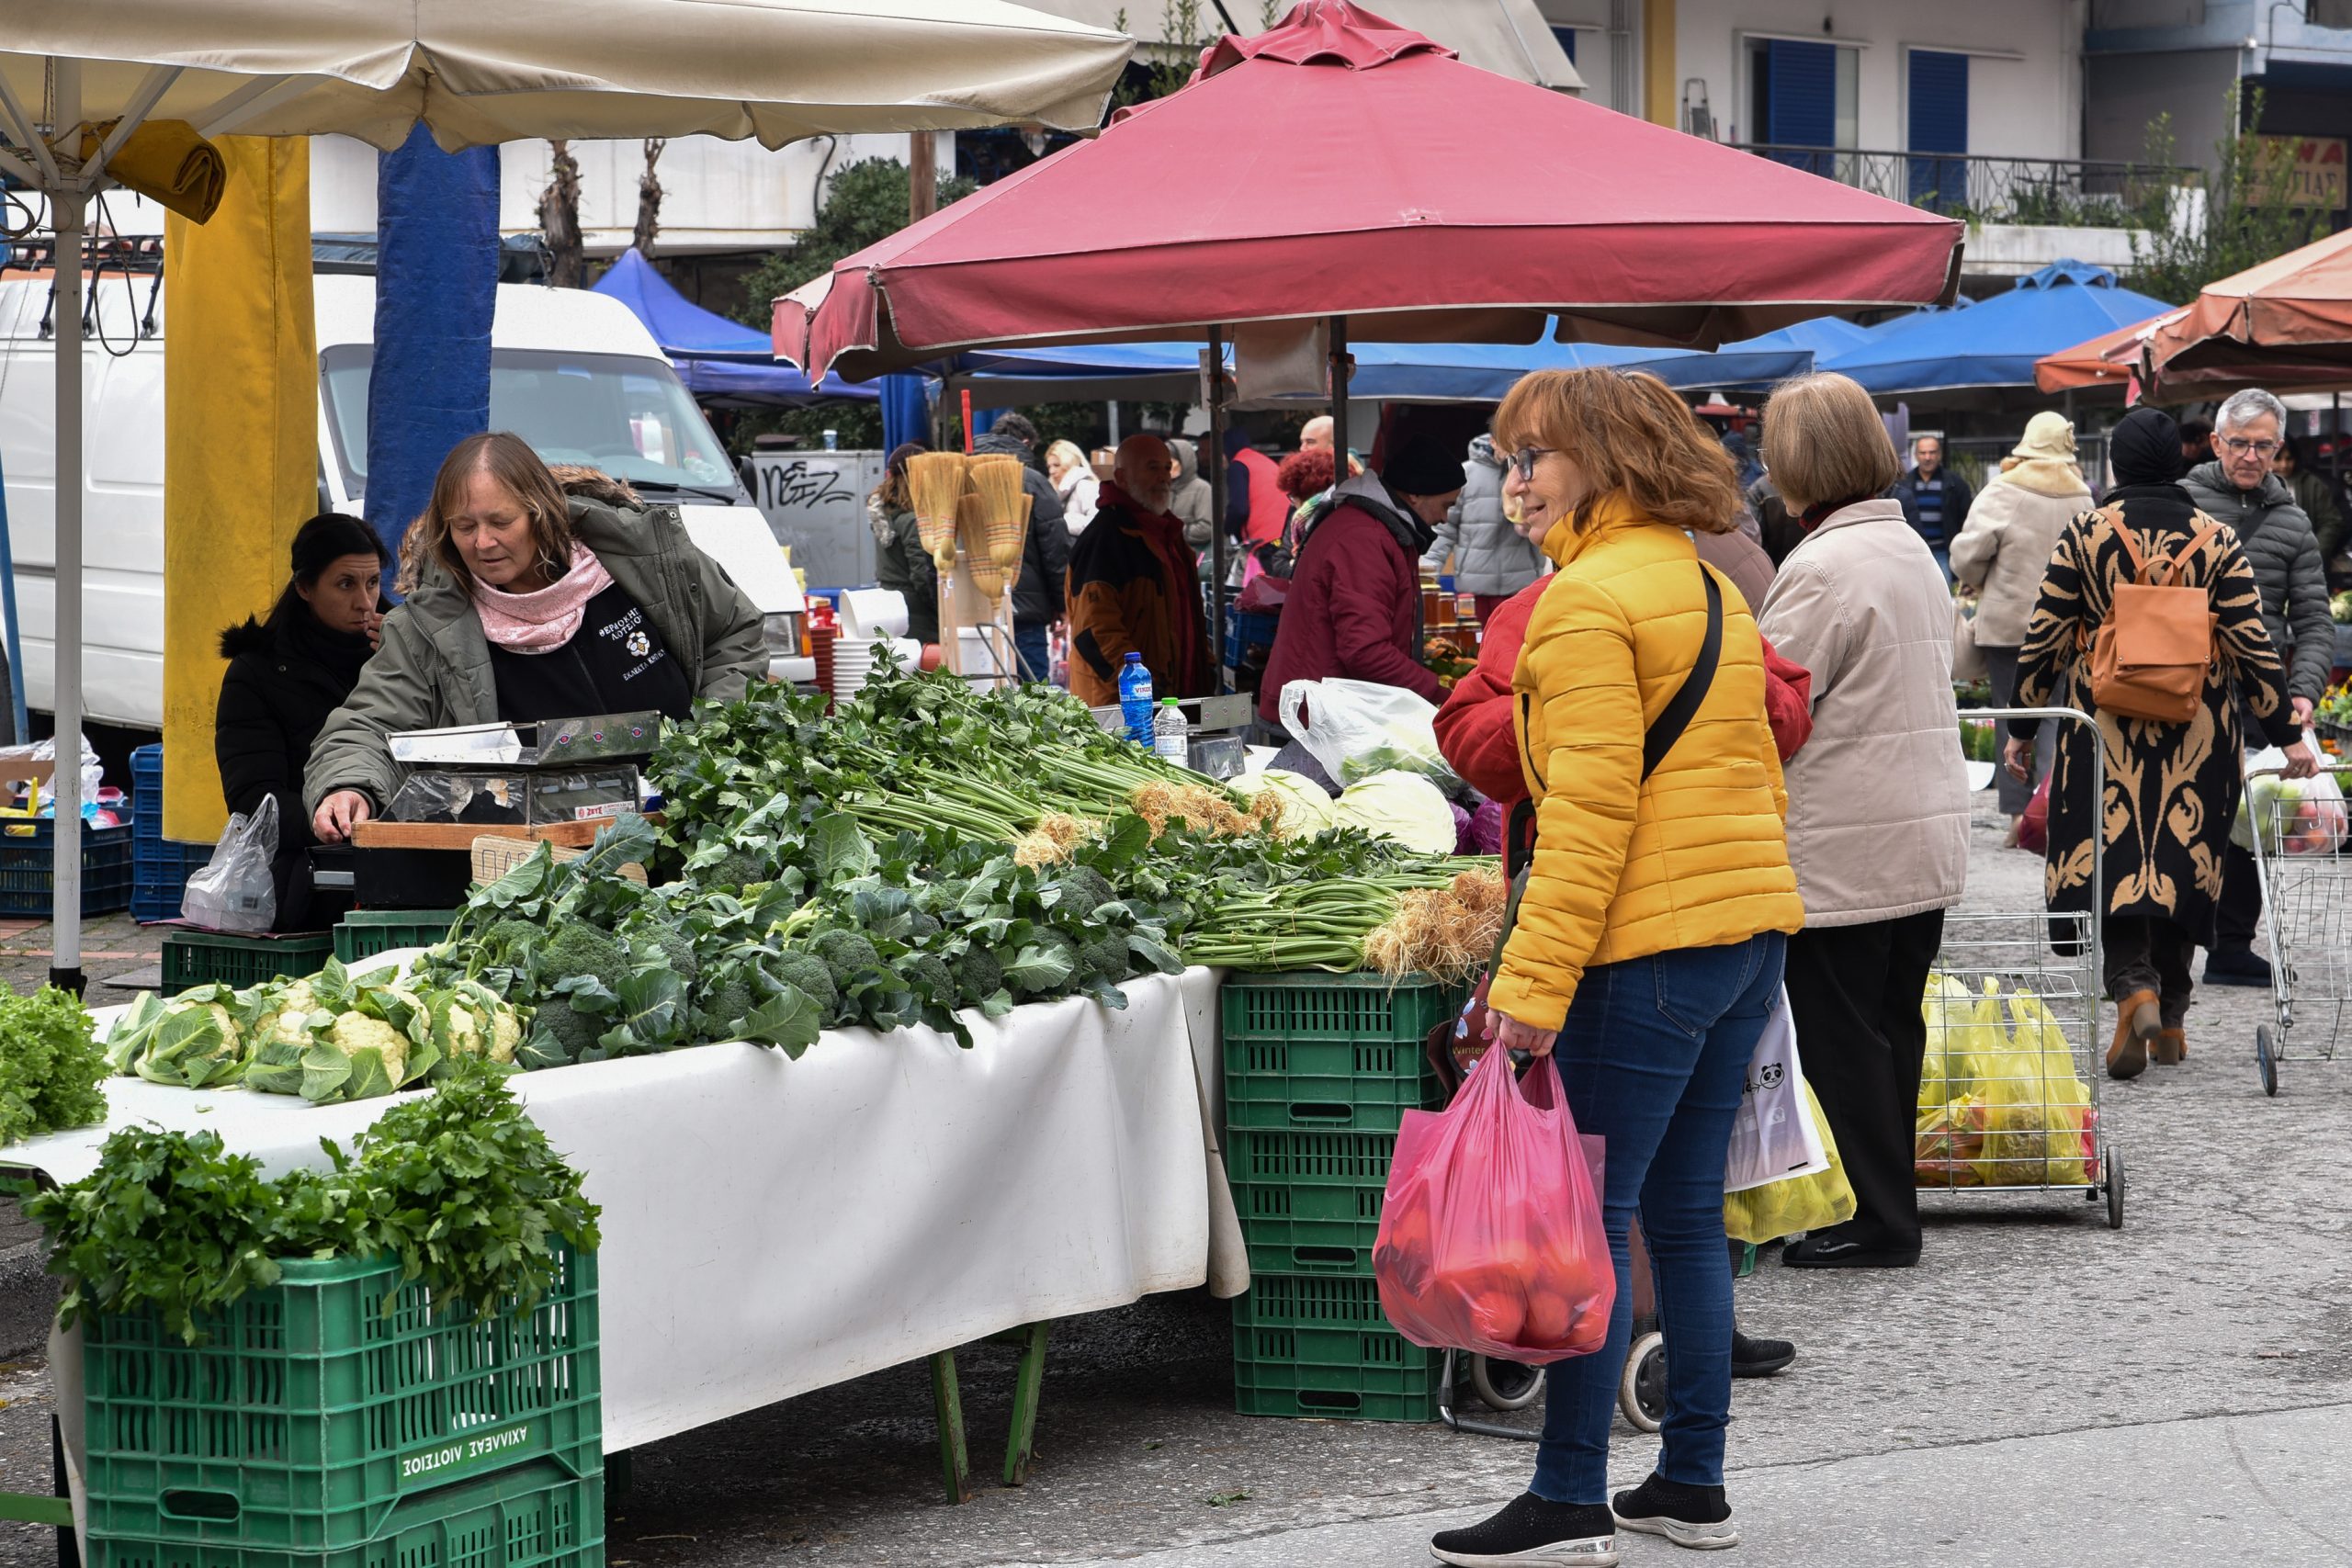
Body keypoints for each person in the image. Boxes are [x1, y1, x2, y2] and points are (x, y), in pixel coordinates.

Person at [1429, 370, 1804, 1568]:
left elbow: (1585, 818)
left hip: (1646, 948)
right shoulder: (1702, 580)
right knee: (1687, 1216)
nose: (1515, 479)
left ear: (1604, 457)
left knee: (1589, 1223)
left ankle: (1569, 1492)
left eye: (1534, 454)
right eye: (1507, 456)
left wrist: (1529, 999)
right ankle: (1691, 1481)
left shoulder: (1584, 602)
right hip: (1743, 937)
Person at [2007, 407, 2314, 1075]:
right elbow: (2254, 646)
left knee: (2115, 856)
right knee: (2184, 862)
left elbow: (2044, 639)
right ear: (2179, 460)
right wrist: (2287, 731)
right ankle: (2172, 1014)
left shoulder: (2086, 533)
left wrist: (2024, 727)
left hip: (2103, 730)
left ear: (2114, 464)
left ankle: (2133, 988)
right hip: (2198, 734)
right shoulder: (2216, 537)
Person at [1754, 373, 1969, 1271]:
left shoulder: (1821, 566)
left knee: (1841, 1037)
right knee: (1891, 1025)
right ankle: (1890, 1208)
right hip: (1915, 830)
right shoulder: (1906, 547)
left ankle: (1875, 1219)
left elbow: (1774, 703)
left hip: (1845, 838)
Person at [305, 433, 765, 842]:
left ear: (539, 512)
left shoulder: (648, 561)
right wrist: (348, 785)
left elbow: (733, 633)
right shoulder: (426, 629)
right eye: (465, 527)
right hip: (532, 863)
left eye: (500, 523)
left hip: (689, 829)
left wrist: (709, 751)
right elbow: (366, 723)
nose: (483, 543)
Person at [2181, 388, 2332, 987]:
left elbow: (2315, 620)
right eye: (2239, 442)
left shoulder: (2293, 521)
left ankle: (2231, 944)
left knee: (2248, 816)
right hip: (2186, 690)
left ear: (2278, 447)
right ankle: (2170, 948)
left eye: (2263, 444)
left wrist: (2305, 688)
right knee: (2185, 818)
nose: (2250, 454)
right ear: (2216, 442)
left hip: (2260, 695)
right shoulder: (2183, 503)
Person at [215, 513, 388, 931]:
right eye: (345, 584)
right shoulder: (258, 671)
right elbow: (254, 795)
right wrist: (330, 816)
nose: (365, 602)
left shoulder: (401, 648)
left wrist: (407, 653)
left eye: (373, 582)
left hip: (400, 853)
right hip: (305, 873)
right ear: (305, 587)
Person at [1949, 412, 2092, 843]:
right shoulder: (2083, 497)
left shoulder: (2004, 490)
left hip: (2010, 627)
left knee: (2014, 719)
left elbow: (1966, 557)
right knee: (2056, 718)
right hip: (2067, 627)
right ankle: (2052, 812)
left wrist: (1982, 579)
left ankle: (2017, 818)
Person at [1256, 437, 1460, 731]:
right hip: (1316, 716)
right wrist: (1439, 691)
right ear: (1415, 494)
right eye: (1445, 505)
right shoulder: (1364, 537)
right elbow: (1365, 651)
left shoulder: (1376, 529)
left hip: (1326, 706)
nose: (1444, 518)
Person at [1064, 434, 1209, 707]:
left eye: (1167, 468)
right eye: (1152, 468)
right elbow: (1093, 631)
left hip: (1174, 700)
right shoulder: (1105, 540)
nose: (1163, 477)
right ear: (1121, 477)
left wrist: (1206, 666)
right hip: (1124, 707)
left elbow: (1188, 616)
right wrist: (1141, 688)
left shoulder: (1169, 535)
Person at [974, 414, 1070, 684]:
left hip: (970, 611)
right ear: (1026, 443)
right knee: (1032, 697)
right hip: (1024, 613)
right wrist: (1062, 605)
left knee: (978, 692)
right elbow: (1055, 548)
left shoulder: (961, 473)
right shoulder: (1032, 480)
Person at [1419, 435, 1543, 626]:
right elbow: (1444, 531)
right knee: (1474, 650)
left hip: (1520, 588)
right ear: (1493, 441)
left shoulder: (1531, 474)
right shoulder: (1465, 475)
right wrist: (1426, 578)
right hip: (1474, 592)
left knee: (1516, 651)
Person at [868, 442, 938, 648]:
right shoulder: (911, 519)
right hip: (917, 618)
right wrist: (939, 608)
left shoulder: (884, 513)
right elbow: (922, 574)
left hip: (893, 607)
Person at [1891, 434, 1973, 577]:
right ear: (1916, 455)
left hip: (1943, 551)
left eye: (1932, 452)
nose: (1927, 457)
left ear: (1939, 454)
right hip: (1913, 552)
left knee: (1945, 595)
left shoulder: (1954, 483)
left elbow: (1967, 518)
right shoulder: (1903, 484)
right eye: (1923, 453)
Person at [2274, 437, 2346, 574]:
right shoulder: (2255, 484)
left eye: (2289, 459)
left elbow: (2331, 522)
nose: (2284, 465)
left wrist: (2315, 553)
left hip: (2307, 564)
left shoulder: (2311, 484)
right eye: (2277, 459)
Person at [1166, 437, 1215, 560]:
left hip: (1193, 560)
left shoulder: (1202, 489)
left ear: (1184, 461)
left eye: (1173, 462)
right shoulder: (1162, 489)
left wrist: (1174, 531)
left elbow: (1207, 528)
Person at [1045, 437, 1099, 537]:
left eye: (1056, 465)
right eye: (1049, 466)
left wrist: (1062, 521)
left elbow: (1098, 524)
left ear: (1069, 462)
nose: (1051, 471)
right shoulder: (1056, 492)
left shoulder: (1086, 486)